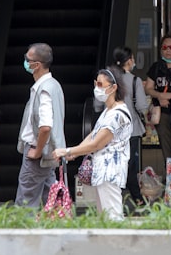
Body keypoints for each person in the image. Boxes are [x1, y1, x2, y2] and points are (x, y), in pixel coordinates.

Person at [54, 66, 132, 220]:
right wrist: (75, 152)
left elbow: (96, 143)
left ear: (113, 88)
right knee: (105, 216)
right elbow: (93, 135)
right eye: (96, 83)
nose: (97, 88)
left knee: (112, 217)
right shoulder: (109, 111)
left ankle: (119, 243)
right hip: (103, 170)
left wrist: (69, 151)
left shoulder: (117, 114)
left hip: (110, 171)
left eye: (101, 84)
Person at [15, 43, 66, 208]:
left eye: (27, 59)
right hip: (48, 155)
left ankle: (22, 233)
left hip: (38, 156)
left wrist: (37, 151)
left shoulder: (44, 90)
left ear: (36, 65)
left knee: (25, 202)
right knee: (51, 201)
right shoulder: (54, 85)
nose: (25, 62)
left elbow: (45, 127)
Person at [105, 46, 149, 206]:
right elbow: (142, 107)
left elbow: (97, 104)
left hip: (110, 131)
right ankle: (135, 198)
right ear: (129, 60)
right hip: (132, 130)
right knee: (130, 165)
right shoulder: (135, 81)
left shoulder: (107, 79)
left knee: (114, 163)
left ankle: (129, 197)